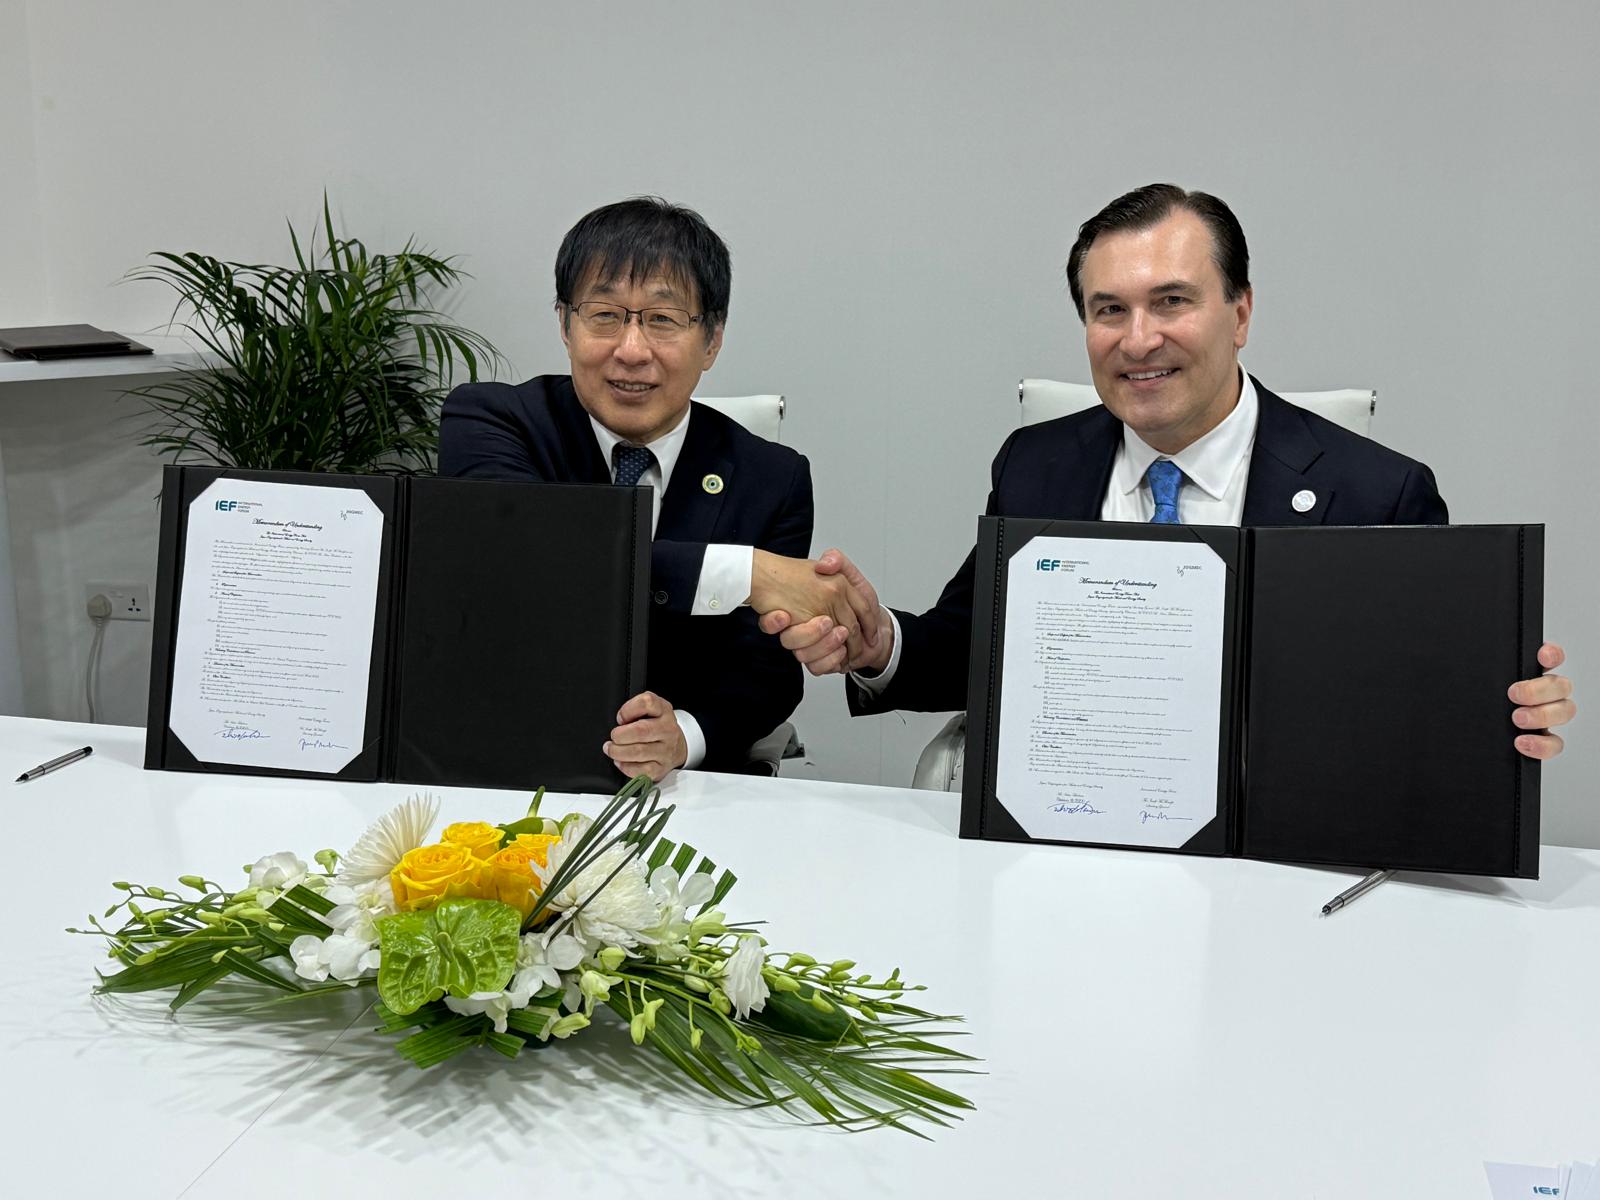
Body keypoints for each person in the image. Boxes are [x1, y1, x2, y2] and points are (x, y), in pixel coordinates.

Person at [761, 183, 1575, 760]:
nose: (1138, 339)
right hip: (1069, 829)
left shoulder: (1375, 493)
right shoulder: (1038, 464)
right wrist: (880, 643)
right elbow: (980, 646)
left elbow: (1416, 702)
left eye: (1173, 303)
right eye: (1108, 310)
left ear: (1241, 312)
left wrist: (1494, 715)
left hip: (1275, 851)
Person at [439, 197, 875, 779]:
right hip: (502, 762)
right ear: (565, 325)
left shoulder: (772, 477)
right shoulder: (493, 421)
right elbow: (532, 558)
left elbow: (764, 672)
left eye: (663, 320)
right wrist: (750, 574)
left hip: (683, 795)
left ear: (712, 341)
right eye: (605, 315)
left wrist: (684, 738)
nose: (632, 350)